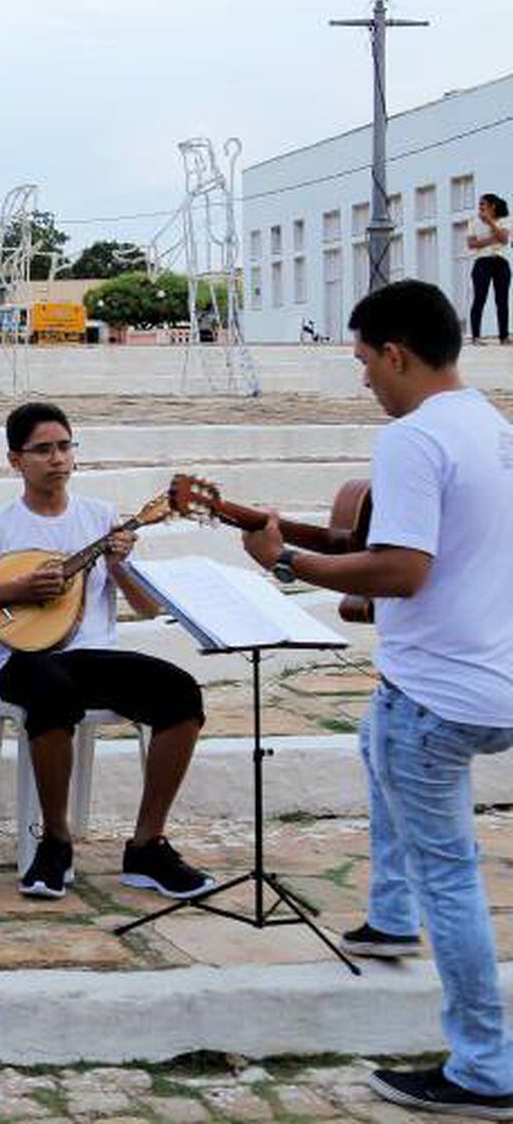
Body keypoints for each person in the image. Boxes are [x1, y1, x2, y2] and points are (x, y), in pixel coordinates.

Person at [238, 281, 513, 1118]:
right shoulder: (494, 428)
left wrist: (289, 566)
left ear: (396, 353)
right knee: (372, 745)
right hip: (489, 682)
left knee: (453, 878)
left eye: (363, 361)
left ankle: (485, 1069)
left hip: (433, 689)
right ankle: (388, 915)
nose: (363, 379)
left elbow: (402, 568)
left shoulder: (412, 438)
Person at [0, 402, 216, 902]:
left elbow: (144, 608)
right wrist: (14, 590)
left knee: (181, 693)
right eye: (43, 450)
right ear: (16, 461)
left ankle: (147, 846)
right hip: (22, 661)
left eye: (65, 447)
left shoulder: (99, 518)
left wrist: (120, 567)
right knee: (51, 691)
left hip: (94, 658)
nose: (57, 459)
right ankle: (55, 841)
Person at [465, 192, 509, 346]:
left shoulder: (505, 220)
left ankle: (504, 336)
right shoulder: (473, 222)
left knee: (502, 300)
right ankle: (476, 337)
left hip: (501, 262)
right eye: (479, 204)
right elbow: (471, 244)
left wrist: (490, 222)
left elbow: (504, 239)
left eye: (483, 204)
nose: (480, 207)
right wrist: (492, 239)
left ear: (492, 206)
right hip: (482, 262)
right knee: (479, 298)